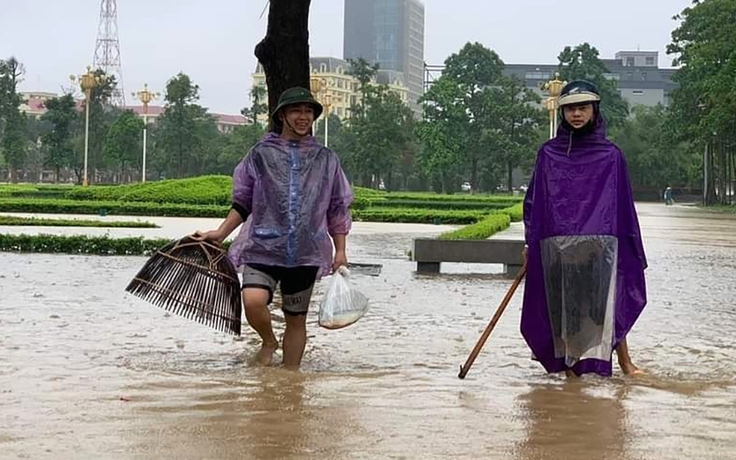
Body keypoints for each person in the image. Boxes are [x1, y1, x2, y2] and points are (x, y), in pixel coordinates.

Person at [193, 87, 354, 370]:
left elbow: (337, 208)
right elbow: (243, 201)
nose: (303, 117)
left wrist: (340, 250)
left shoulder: (326, 159)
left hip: (306, 252)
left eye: (308, 112)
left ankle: (291, 385)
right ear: (282, 115)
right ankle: (268, 340)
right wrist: (220, 233)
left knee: (295, 319)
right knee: (253, 300)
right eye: (296, 111)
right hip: (262, 247)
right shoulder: (260, 154)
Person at [521, 80, 648, 378]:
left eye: (583, 108)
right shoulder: (549, 154)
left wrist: (629, 245)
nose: (576, 114)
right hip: (558, 247)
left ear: (594, 111)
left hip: (600, 246)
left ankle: (625, 363)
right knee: (564, 310)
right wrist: (530, 243)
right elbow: (536, 201)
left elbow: (622, 206)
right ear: (562, 113)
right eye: (570, 109)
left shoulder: (611, 155)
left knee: (607, 305)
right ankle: (570, 372)